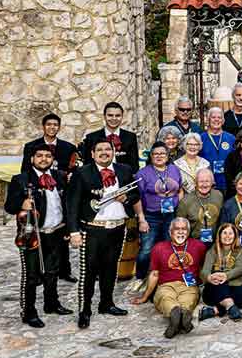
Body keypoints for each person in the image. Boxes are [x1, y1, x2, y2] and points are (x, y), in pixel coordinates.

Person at [66, 138, 140, 329]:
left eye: (108, 149)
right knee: (88, 273)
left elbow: (136, 195)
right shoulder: (82, 173)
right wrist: (74, 231)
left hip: (117, 227)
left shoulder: (123, 170)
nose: (104, 152)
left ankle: (106, 304)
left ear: (113, 151)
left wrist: (126, 198)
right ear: (93, 154)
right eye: (100, 150)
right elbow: (72, 204)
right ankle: (85, 310)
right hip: (92, 229)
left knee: (110, 269)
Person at [6, 145, 71, 327]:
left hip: (56, 231)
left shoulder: (59, 177)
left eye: (48, 156)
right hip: (33, 234)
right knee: (31, 275)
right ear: (32, 159)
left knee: (53, 271)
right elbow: (9, 206)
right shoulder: (21, 179)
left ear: (53, 159)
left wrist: (68, 228)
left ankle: (51, 303)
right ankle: (29, 312)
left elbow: (66, 203)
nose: (44, 159)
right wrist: (22, 203)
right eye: (40, 156)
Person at [130, 217, 207, 339]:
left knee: (189, 298)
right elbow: (154, 274)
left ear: (189, 231)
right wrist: (144, 297)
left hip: (189, 285)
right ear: (170, 232)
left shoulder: (199, 246)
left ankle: (182, 316)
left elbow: (204, 267)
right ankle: (176, 314)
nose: (181, 232)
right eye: (177, 229)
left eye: (184, 229)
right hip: (166, 285)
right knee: (165, 298)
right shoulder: (159, 248)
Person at [133, 142, 184, 289]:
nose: (159, 156)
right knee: (146, 249)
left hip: (170, 215)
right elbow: (137, 198)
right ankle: (140, 277)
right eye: (156, 154)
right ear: (151, 156)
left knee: (170, 246)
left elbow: (180, 189)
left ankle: (166, 276)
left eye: (163, 153)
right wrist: (141, 219)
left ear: (168, 156)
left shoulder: (174, 169)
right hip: (151, 216)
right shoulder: (143, 173)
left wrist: (176, 204)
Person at [198, 222, 242, 321]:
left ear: (235, 236)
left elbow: (241, 268)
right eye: (224, 233)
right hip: (216, 287)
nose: (227, 236)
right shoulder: (212, 251)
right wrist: (210, 278)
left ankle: (215, 310)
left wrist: (225, 276)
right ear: (219, 235)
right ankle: (231, 306)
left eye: (230, 233)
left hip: (236, 287)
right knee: (219, 284)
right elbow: (204, 271)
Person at [80, 101, 140, 170]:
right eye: (110, 115)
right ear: (104, 116)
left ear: (122, 117)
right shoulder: (91, 138)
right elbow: (87, 165)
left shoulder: (130, 137)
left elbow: (134, 166)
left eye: (117, 115)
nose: (114, 118)